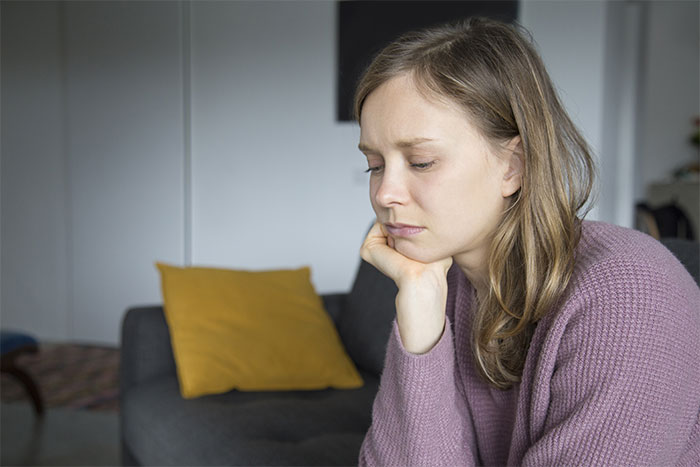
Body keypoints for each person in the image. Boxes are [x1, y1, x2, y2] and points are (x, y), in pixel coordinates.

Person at [354, 17, 700, 466]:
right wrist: (420, 327)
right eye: (375, 165)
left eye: (420, 162)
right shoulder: (439, 279)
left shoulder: (631, 295)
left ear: (513, 166)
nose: (384, 194)